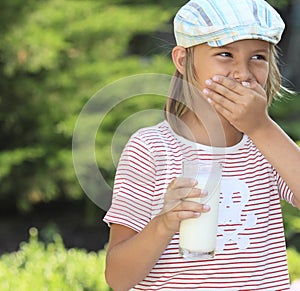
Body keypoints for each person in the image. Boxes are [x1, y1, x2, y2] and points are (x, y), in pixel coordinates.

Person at [104, 0, 300, 290]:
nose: (242, 73)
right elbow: (118, 279)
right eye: (225, 54)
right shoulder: (150, 149)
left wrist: (262, 127)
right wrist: (164, 223)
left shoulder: (268, 145)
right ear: (183, 60)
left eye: (258, 57)